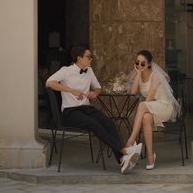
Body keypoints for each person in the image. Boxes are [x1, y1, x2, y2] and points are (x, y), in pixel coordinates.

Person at [46, 44, 142, 174]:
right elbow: (49, 82)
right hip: (70, 113)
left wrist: (94, 94)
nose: (91, 59)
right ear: (79, 58)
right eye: (88, 57)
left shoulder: (89, 71)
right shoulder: (66, 71)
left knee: (109, 122)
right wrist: (71, 90)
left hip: (86, 109)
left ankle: (122, 160)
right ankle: (124, 151)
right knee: (93, 124)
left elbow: (97, 88)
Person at [125, 50, 180, 170]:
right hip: (153, 107)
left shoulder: (155, 76)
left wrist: (144, 106)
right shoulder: (139, 74)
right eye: (137, 62)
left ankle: (131, 140)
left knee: (142, 105)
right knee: (145, 118)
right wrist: (138, 74)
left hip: (164, 106)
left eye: (142, 64)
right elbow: (133, 92)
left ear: (149, 64)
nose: (139, 65)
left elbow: (149, 97)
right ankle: (150, 156)